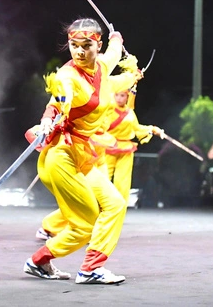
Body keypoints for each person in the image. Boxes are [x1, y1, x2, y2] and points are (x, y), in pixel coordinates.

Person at [23, 18, 138, 285]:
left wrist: (117, 39)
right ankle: (81, 269)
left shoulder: (101, 66)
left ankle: (54, 265)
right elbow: (57, 102)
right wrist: (47, 120)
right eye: (74, 46)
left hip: (81, 156)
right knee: (86, 224)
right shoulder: (67, 77)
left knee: (115, 204)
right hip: (60, 158)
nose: (79, 52)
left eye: (86, 46)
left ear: (96, 46)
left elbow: (113, 54)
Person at [103, 88, 163, 201]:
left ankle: (120, 206)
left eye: (122, 96)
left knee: (123, 181)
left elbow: (137, 128)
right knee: (104, 177)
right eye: (117, 95)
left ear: (127, 97)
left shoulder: (130, 112)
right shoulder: (108, 109)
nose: (119, 98)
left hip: (126, 148)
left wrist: (153, 129)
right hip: (109, 146)